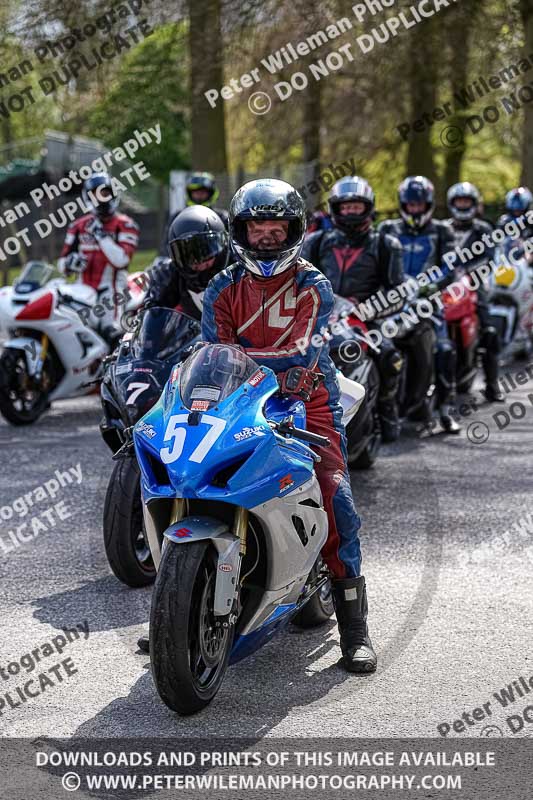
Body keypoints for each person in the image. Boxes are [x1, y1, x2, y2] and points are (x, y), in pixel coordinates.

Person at [202, 178, 377, 674]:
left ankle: (355, 630)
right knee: (196, 474)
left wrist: (240, 358)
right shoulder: (221, 286)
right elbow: (212, 350)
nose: (266, 238)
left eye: (276, 229)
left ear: (294, 231)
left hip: (309, 399)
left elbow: (302, 353)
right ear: (240, 231)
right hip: (238, 397)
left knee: (335, 496)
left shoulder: (313, 284)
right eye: (256, 229)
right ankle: (179, 606)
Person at [302, 176, 405, 442]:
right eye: (345, 207)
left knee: (390, 357)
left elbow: (397, 292)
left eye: (356, 207)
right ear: (335, 209)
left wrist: (369, 308)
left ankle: (387, 408)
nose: (350, 212)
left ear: (368, 207)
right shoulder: (315, 241)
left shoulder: (386, 244)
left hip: (368, 317)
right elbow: (299, 281)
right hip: (322, 315)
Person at [379, 176, 460, 432]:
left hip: (428, 302)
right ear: (403, 205)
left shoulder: (443, 231)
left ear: (428, 205)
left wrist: (429, 284)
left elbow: (450, 267)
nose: (415, 210)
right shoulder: (388, 229)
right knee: (374, 345)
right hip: (391, 302)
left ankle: (446, 410)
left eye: (419, 205)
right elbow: (377, 262)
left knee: (444, 350)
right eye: (411, 205)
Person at [58, 172, 139, 338]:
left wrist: (100, 235)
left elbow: (121, 260)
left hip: (112, 290)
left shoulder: (126, 224)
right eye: (95, 194)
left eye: (105, 193)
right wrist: (70, 263)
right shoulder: (77, 226)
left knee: (111, 333)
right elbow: (61, 263)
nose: (101, 198)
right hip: (82, 291)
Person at [446, 182, 504, 402]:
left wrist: (468, 272)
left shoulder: (484, 229)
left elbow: (489, 258)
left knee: (489, 330)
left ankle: (492, 385)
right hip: (446, 286)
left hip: (474, 285)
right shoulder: (443, 228)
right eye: (459, 202)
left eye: (466, 202)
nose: (463, 206)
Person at [145, 205, 228, 320]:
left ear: (221, 245)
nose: (200, 263)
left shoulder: (240, 270)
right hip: (195, 331)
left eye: (205, 252)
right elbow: (152, 318)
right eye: (189, 256)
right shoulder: (169, 274)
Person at [159, 172, 228, 255]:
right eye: (195, 192)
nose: (199, 195)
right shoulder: (178, 217)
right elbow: (167, 245)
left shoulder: (222, 217)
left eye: (203, 191)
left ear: (211, 193)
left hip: (215, 258)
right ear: (189, 193)